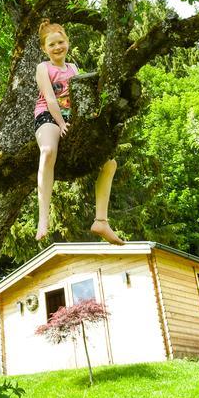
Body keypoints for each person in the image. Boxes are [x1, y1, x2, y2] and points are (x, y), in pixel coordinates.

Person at [34, 20, 124, 246]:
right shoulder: (43, 68)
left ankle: (101, 221)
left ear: (67, 42)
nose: (57, 47)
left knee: (110, 162)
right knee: (47, 151)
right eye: (51, 44)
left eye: (60, 42)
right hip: (48, 116)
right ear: (45, 49)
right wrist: (61, 124)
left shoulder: (73, 69)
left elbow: (82, 98)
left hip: (72, 119)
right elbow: (51, 99)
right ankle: (43, 218)